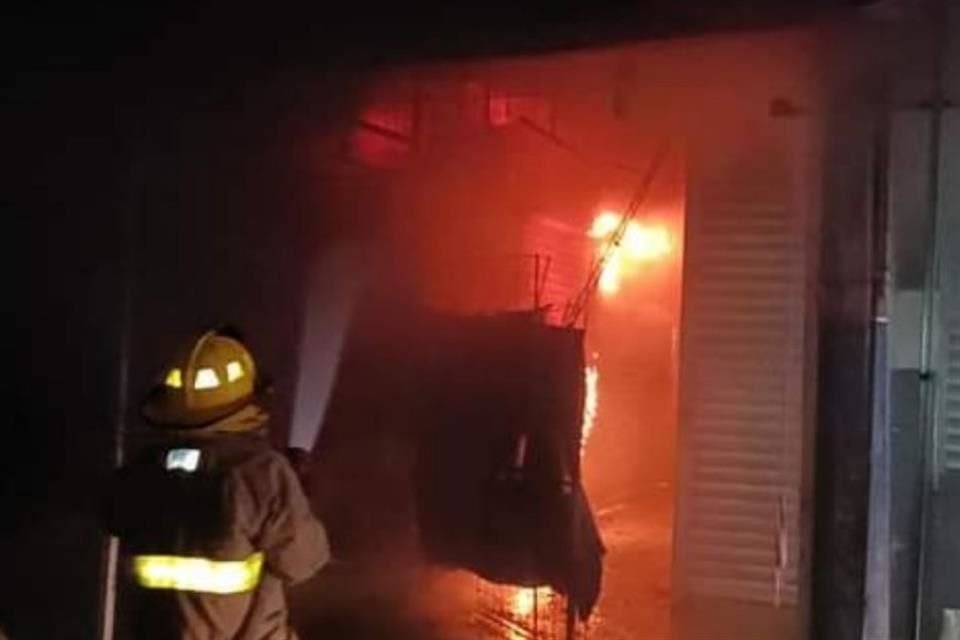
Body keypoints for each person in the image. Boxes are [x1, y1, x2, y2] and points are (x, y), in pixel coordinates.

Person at [106, 328, 329, 639]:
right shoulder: (260, 472)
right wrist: (296, 492)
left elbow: (113, 512)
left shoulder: (139, 472)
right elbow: (304, 561)